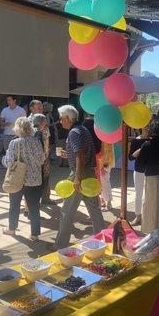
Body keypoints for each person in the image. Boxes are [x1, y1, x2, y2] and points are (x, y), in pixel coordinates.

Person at [54, 105, 104, 249]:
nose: (60, 121)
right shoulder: (83, 130)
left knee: (67, 211)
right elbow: (81, 153)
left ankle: (60, 244)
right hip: (90, 174)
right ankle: (102, 240)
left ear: (68, 118)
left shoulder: (74, 132)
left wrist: (77, 178)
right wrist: (67, 154)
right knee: (95, 211)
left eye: (62, 118)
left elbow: (80, 155)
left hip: (80, 174)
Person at [2, 117, 45, 240]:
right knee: (34, 207)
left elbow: (9, 162)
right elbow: (42, 159)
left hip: (17, 179)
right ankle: (35, 234)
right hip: (35, 180)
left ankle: (12, 229)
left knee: (14, 205)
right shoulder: (36, 141)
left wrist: (3, 158)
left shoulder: (14, 143)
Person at [30, 113, 55, 205]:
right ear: (40, 122)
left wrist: (47, 157)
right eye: (45, 120)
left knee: (46, 178)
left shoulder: (46, 129)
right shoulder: (34, 132)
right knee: (37, 181)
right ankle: (34, 204)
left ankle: (45, 198)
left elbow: (47, 142)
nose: (46, 122)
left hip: (45, 157)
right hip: (37, 161)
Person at [129, 125, 150, 226]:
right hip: (138, 170)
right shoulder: (135, 141)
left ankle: (147, 217)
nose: (148, 128)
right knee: (138, 194)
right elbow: (130, 157)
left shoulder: (152, 140)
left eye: (149, 126)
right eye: (146, 126)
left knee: (148, 195)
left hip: (150, 171)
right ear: (141, 127)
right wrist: (134, 154)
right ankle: (138, 216)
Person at [99, 142, 115, 212]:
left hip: (104, 164)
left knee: (105, 183)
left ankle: (108, 203)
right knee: (101, 184)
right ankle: (103, 201)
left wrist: (104, 165)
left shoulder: (105, 139)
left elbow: (108, 152)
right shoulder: (103, 137)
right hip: (101, 164)